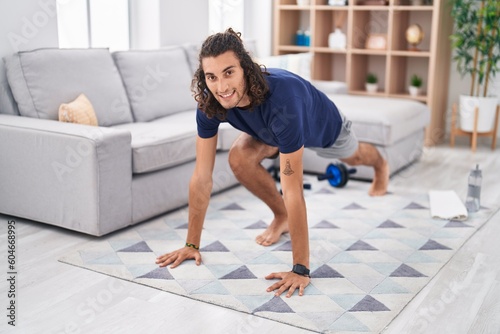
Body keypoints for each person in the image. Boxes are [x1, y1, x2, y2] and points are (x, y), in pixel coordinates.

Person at [156, 28, 389, 298]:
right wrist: (191, 244)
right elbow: (201, 176)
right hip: (272, 132)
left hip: (323, 129)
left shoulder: (284, 101)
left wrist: (300, 269)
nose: (221, 87)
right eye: (212, 77)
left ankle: (381, 165)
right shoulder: (211, 103)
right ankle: (282, 217)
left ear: (245, 68)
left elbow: (293, 188)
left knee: (355, 156)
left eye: (229, 72)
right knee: (239, 157)